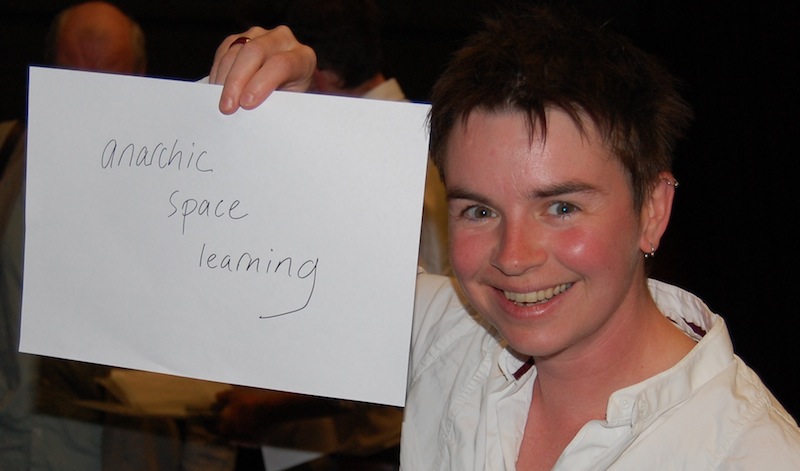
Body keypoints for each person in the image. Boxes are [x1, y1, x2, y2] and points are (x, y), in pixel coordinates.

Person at [211, 3, 800, 469]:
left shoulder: (749, 453)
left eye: (561, 207)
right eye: (480, 211)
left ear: (652, 209)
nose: (514, 258)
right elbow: (277, 254)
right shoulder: (454, 335)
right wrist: (280, 110)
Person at [1, 3, 235, 470]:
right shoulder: (7, 154)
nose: (87, 100)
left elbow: (208, 362)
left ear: (140, 78)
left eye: (106, 81)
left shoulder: (180, 190)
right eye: (71, 78)